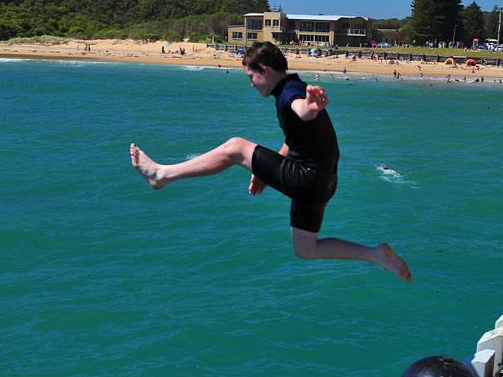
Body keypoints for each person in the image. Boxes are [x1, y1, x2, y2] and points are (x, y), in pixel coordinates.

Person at [129, 41, 411, 281]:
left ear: (264, 70)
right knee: (306, 249)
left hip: (307, 178)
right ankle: (374, 255)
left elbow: (300, 109)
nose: (251, 85)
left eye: (251, 77)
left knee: (235, 148)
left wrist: (310, 109)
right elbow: (294, 139)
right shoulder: (293, 85)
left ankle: (162, 174)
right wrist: (266, 171)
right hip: (323, 184)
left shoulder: (290, 93)